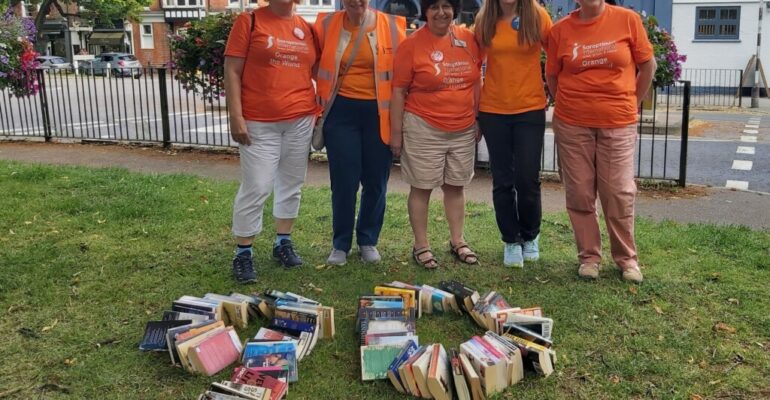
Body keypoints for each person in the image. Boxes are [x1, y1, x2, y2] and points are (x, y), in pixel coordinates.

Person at [545, 0, 656, 283]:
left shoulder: (627, 20)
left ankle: (627, 259)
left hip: (618, 122)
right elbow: (553, 76)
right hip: (572, 124)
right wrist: (568, 105)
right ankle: (589, 257)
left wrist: (633, 102)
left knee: (617, 192)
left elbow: (647, 65)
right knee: (580, 192)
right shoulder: (561, 31)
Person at [223, 0, 319, 283]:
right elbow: (232, 71)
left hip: (301, 118)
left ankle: (283, 242)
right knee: (258, 185)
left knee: (291, 183)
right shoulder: (249, 21)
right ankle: (243, 252)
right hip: (258, 121)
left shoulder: (306, 28)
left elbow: (316, 72)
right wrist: (235, 117)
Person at [390, 0, 482, 269]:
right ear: (425, 12)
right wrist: (397, 133)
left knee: (455, 186)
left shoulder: (469, 39)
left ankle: (458, 240)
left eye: (447, 6)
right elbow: (398, 91)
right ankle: (421, 246)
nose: (441, 12)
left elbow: (477, 80)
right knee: (422, 187)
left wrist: (477, 117)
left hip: (463, 127)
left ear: (454, 9)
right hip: (423, 126)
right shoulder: (412, 45)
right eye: (434, 6)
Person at [314, 0, 406, 265]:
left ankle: (367, 240)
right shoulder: (326, 24)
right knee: (344, 182)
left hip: (380, 114)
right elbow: (311, 60)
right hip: (341, 112)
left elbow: (402, 74)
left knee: (376, 181)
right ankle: (340, 244)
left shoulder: (391, 25)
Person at [474, 0, 552, 268]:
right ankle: (510, 239)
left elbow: (555, 53)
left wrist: (552, 87)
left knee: (527, 179)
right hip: (493, 111)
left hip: (529, 109)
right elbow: (474, 65)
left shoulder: (537, 15)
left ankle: (530, 235)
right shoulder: (485, 19)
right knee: (503, 180)